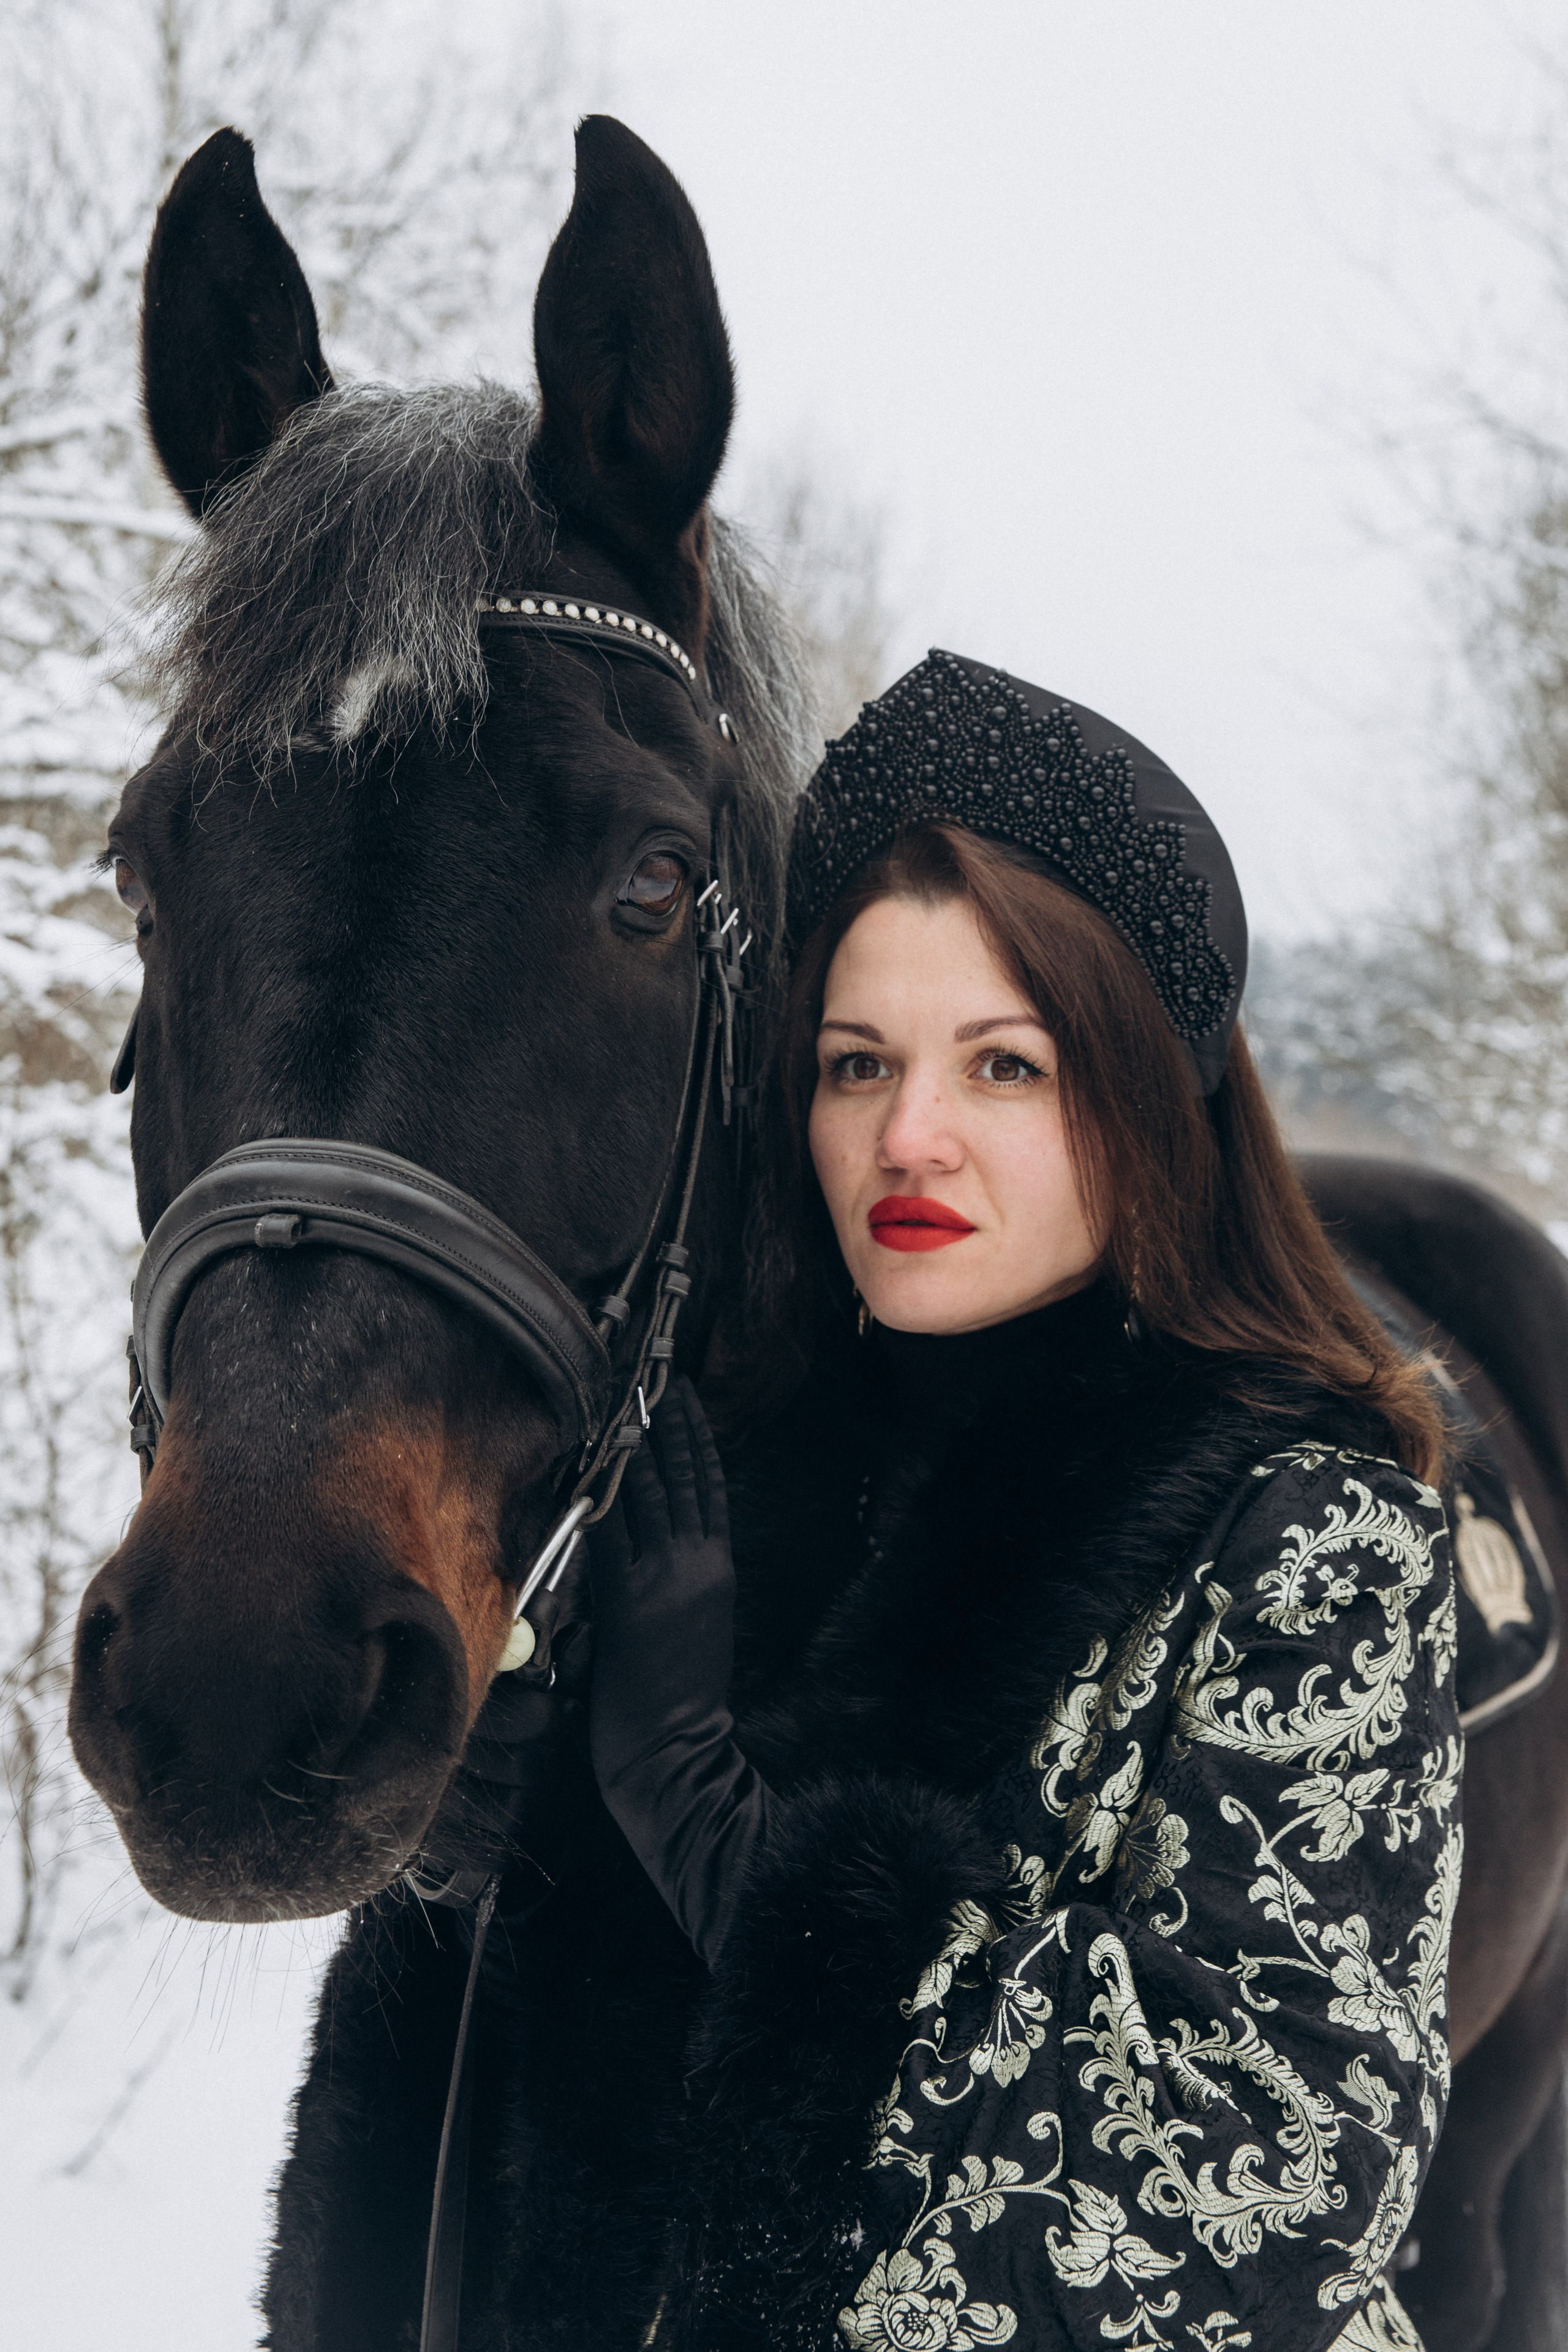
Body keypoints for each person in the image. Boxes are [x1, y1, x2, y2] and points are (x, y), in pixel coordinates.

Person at [586, 649, 1458, 2350]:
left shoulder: (1310, 1541)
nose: (910, 1134)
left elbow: (1258, 2193)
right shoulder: (722, 1477)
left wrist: (729, 1845)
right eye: (855, 1064)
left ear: (1147, 1101)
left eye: (1005, 1066)